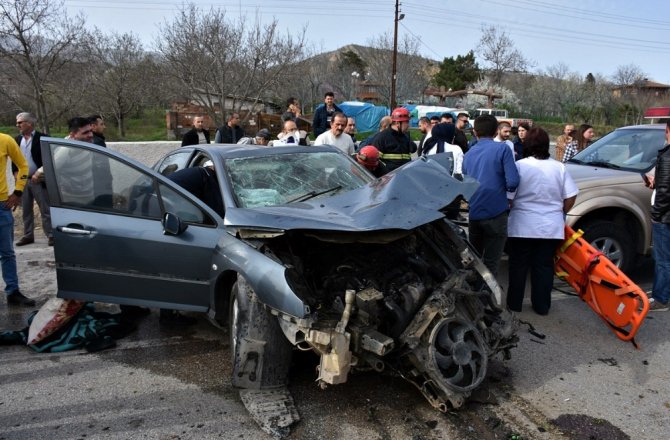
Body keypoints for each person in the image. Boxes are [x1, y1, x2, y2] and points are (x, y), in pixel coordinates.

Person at [506, 127, 578, 315]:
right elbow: (571, 196)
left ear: (527, 144)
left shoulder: (519, 166)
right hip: (550, 226)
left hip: (521, 224)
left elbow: (509, 197)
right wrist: (561, 210)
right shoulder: (559, 167)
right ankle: (542, 306)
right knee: (544, 266)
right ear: (547, 145)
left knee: (518, 265)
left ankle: (514, 305)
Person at [462, 114, 520, 278]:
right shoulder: (502, 149)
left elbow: (465, 185)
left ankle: (475, 298)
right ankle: (488, 299)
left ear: (475, 132)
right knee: (491, 263)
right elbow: (513, 182)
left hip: (475, 213)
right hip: (496, 212)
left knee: (475, 262)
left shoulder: (468, 154)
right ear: (496, 131)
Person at [0, 132, 32, 306]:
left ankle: (13, 291)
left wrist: (18, 191)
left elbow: (23, 166)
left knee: (7, 252)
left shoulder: (5, 140)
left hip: (1, 205)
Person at [14, 112, 53, 247]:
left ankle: (50, 234)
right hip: (23, 180)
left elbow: (49, 158)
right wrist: (15, 173)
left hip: (39, 179)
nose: (17, 125)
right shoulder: (17, 140)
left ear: (29, 123)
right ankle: (28, 235)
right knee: (26, 209)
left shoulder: (43, 138)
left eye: (20, 122)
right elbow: (15, 158)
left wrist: (39, 173)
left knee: (45, 208)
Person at [648, 121, 670, 311]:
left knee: (662, 259)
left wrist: (656, 214)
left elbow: (665, 190)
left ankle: (661, 297)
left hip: (665, 217)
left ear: (667, 131)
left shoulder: (667, 155)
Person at [371, 107, 415, 172]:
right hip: (388, 179)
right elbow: (374, 161)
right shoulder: (382, 137)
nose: (408, 125)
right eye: (407, 122)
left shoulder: (405, 137)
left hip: (404, 176)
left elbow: (413, 149)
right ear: (397, 123)